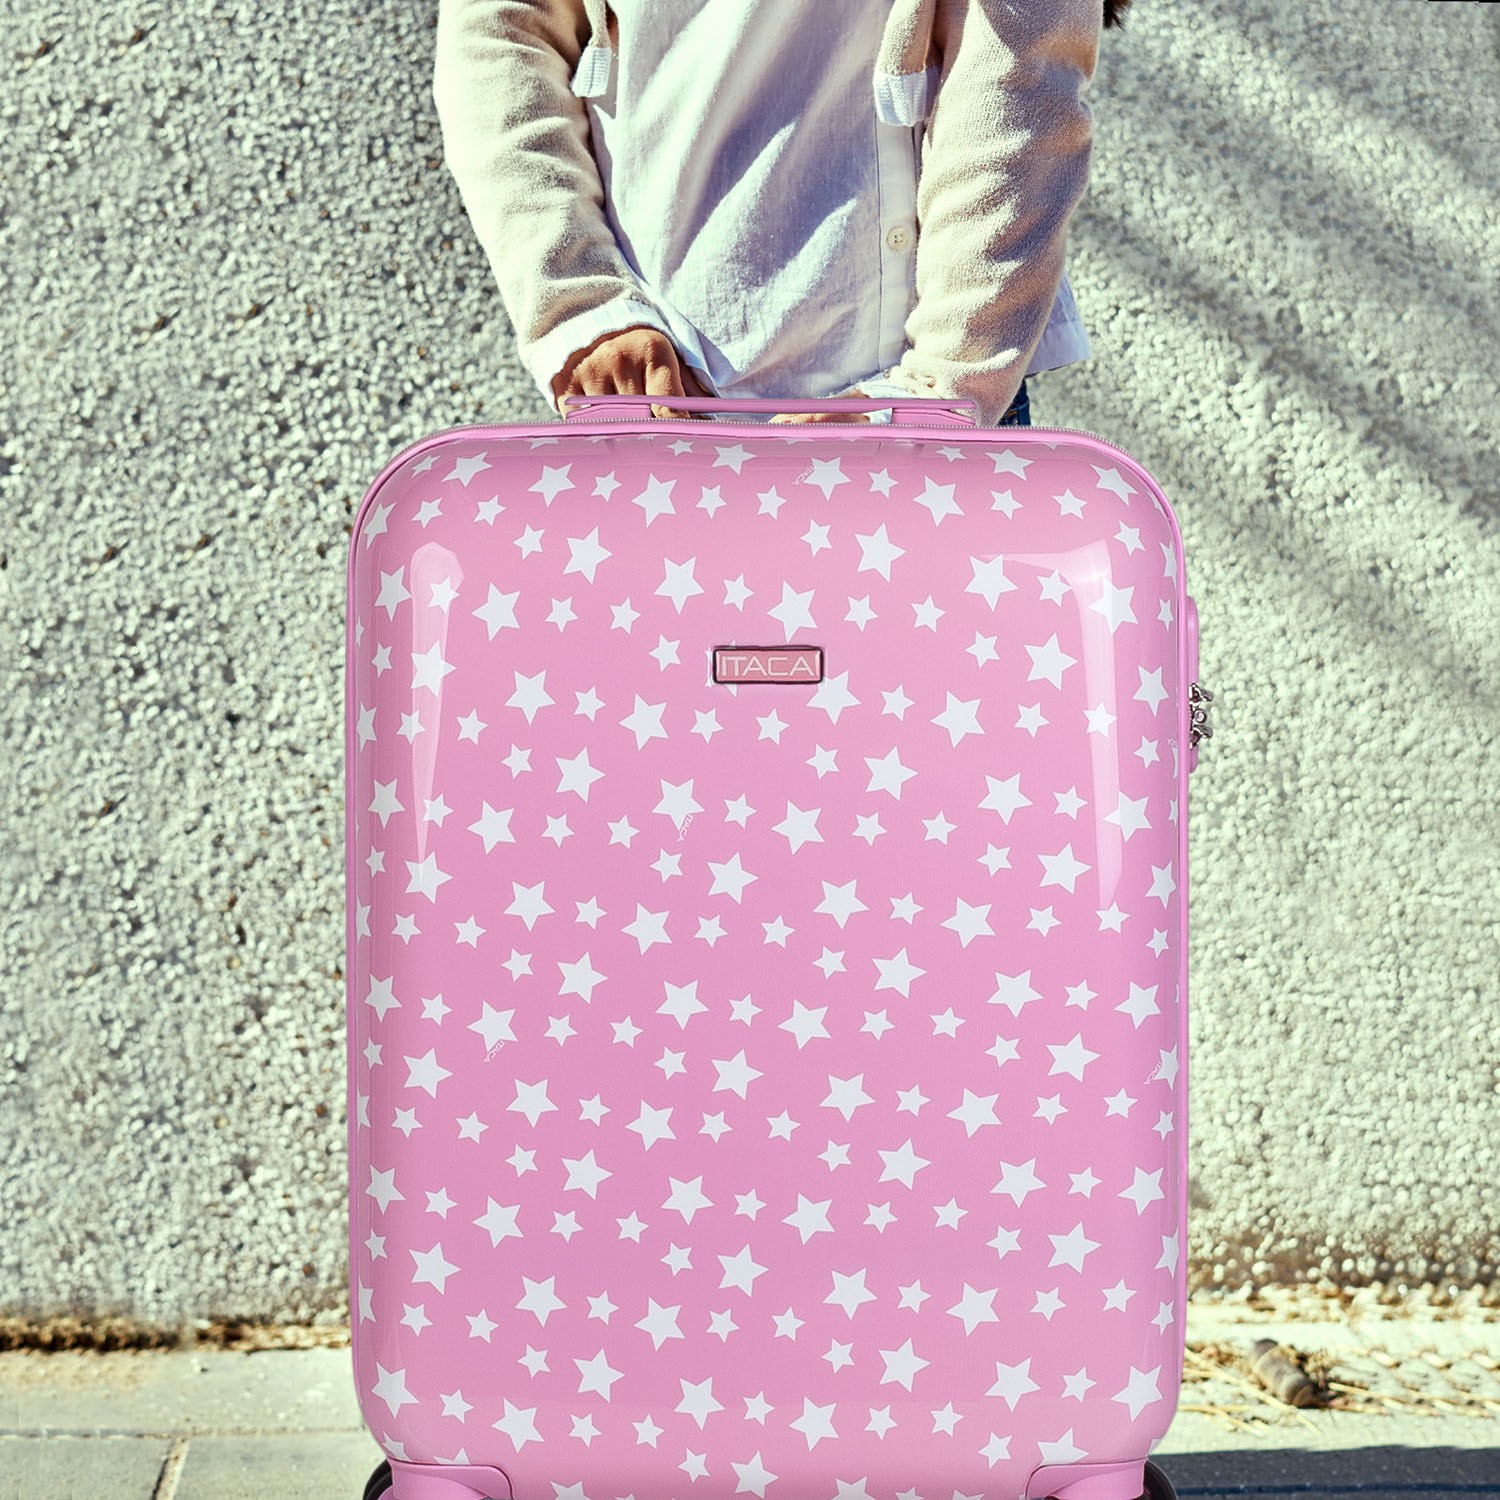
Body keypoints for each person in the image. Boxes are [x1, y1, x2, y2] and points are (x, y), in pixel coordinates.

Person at [433, 0, 1131, 430]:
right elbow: (504, 27)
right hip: (653, 385)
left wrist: (937, 394)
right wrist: (583, 309)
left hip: (909, 387)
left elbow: (1015, 69)